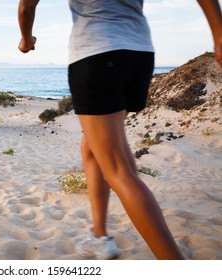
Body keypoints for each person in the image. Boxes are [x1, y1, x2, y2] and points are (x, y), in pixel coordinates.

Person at [18, 0, 222, 260]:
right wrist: (218, 34)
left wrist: (26, 39)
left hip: (96, 53)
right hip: (140, 55)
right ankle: (100, 235)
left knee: (117, 170)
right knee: (90, 145)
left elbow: (27, 6)